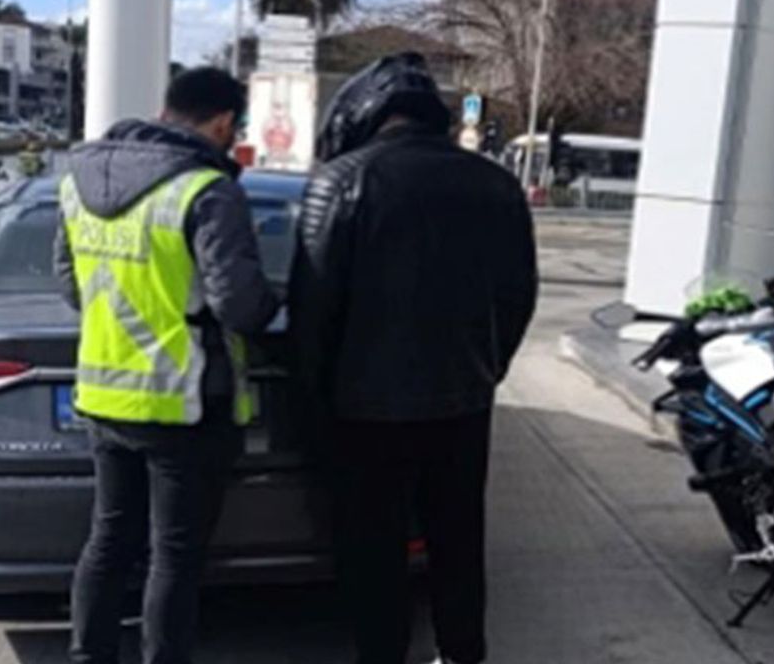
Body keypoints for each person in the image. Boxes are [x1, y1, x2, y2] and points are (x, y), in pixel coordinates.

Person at [290, 53, 539, 664]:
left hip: (365, 409)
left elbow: (312, 310)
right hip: (462, 400)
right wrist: (487, 366)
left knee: (375, 551)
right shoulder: (497, 184)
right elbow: (519, 296)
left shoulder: (340, 181)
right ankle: (461, 653)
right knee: (458, 540)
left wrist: (315, 398)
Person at [55, 67, 278, 664]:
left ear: (165, 110)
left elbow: (71, 285)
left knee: (108, 539)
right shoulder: (206, 189)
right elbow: (240, 305)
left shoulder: (78, 183)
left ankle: (89, 655)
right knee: (173, 557)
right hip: (183, 405)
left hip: (102, 398)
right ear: (224, 123)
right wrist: (274, 302)